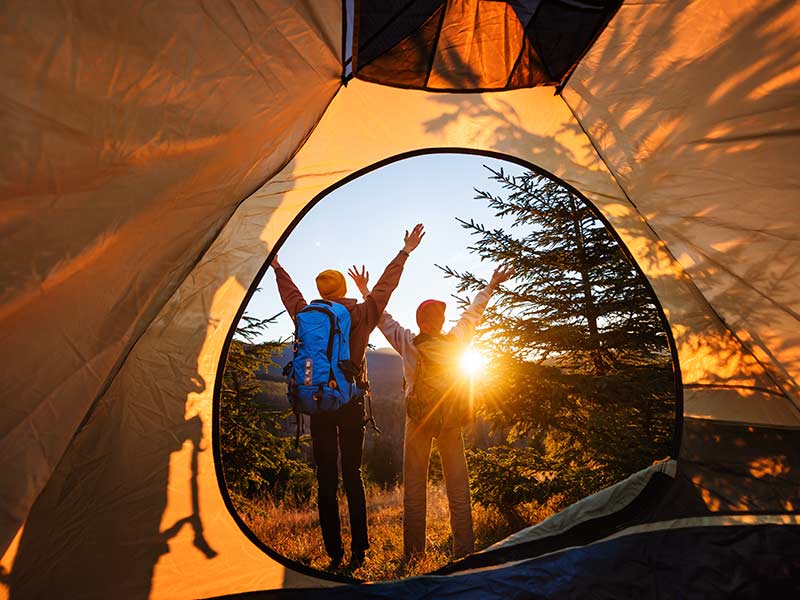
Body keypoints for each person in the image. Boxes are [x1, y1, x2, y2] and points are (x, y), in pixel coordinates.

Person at [270, 224, 425, 570]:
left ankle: (334, 552)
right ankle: (359, 550)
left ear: (321, 292)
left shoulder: (306, 316)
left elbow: (290, 296)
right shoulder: (357, 314)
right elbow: (385, 289)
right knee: (351, 474)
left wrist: (278, 268)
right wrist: (405, 252)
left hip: (317, 404)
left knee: (325, 478)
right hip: (350, 403)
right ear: (342, 289)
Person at [349, 264, 514, 560]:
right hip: (450, 419)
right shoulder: (455, 341)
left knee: (414, 489)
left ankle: (414, 554)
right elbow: (472, 315)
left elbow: (382, 318)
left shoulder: (408, 342)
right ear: (440, 322)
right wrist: (491, 285)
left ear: (420, 321)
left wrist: (364, 290)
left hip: (418, 419)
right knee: (458, 488)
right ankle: (463, 552)